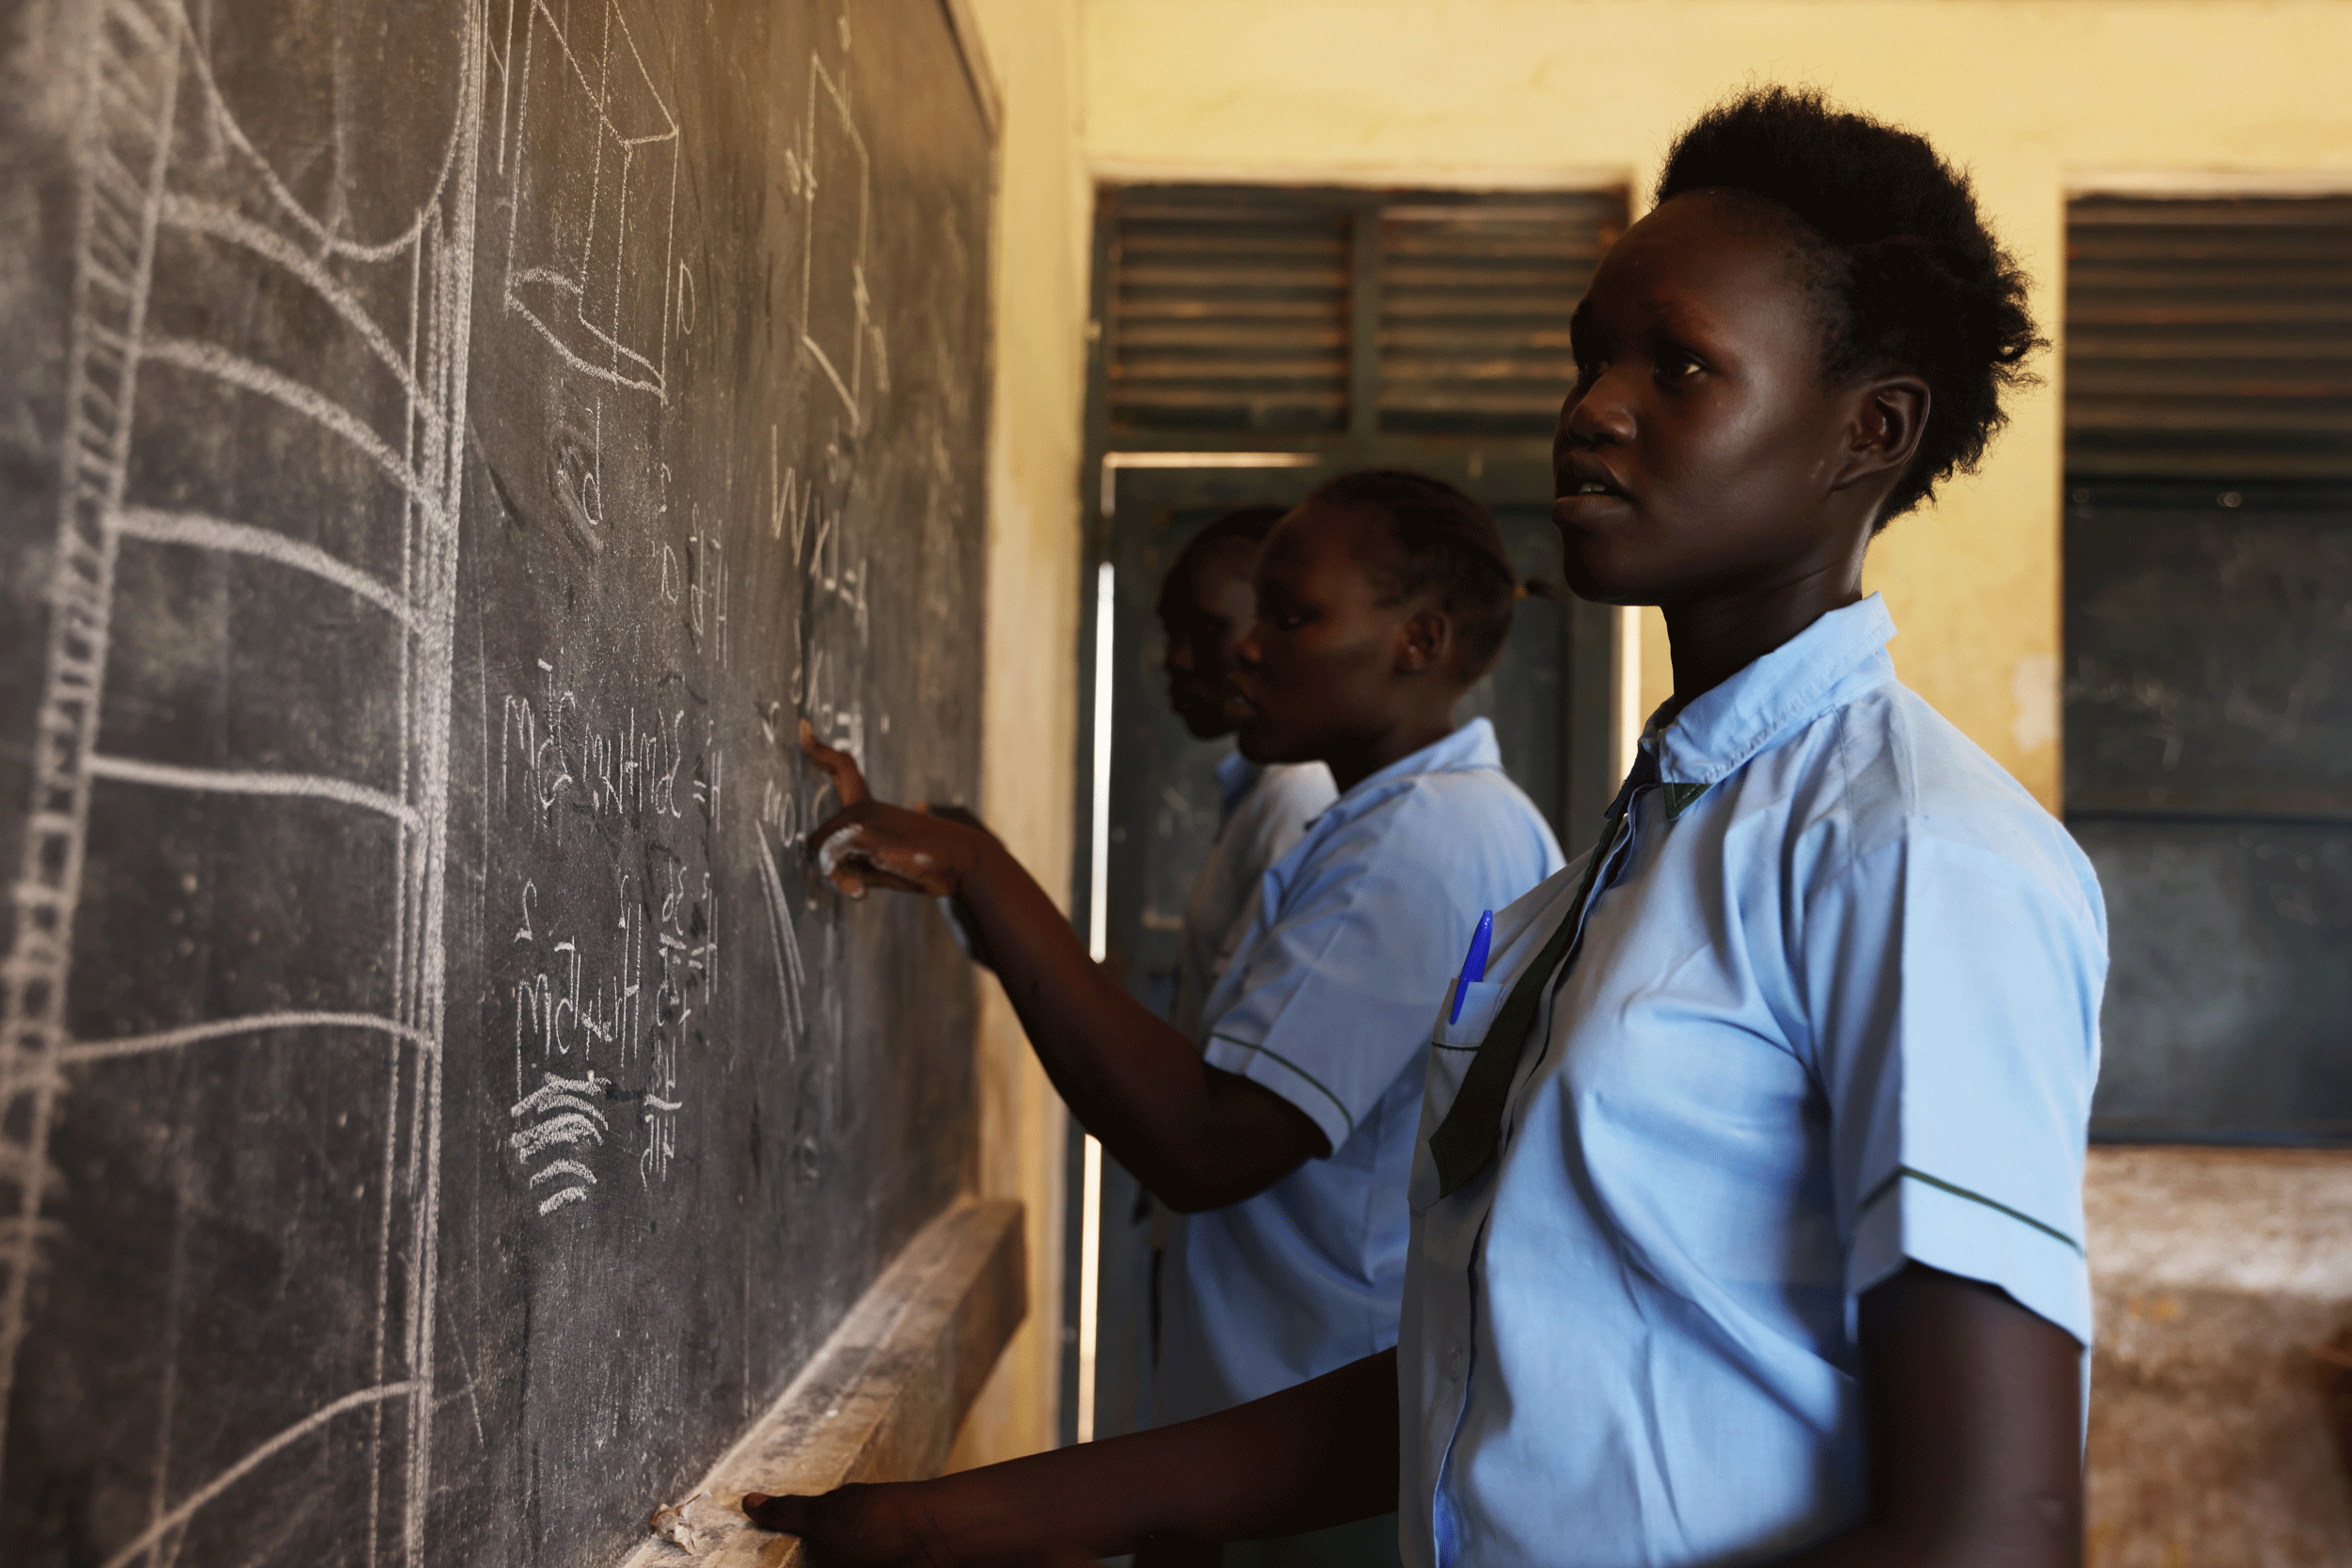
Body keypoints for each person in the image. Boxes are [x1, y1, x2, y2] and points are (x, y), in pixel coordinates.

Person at [743, 86, 2106, 1568]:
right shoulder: (1627, 858)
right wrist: (966, 1514)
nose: (1593, 407)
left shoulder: (1911, 851)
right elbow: (1486, 1375)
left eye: (1683, 367)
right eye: (1591, 356)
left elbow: (1993, 1528)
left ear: (1871, 431)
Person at [792, 470, 1564, 1565]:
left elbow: (1203, 1139)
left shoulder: (1418, 841)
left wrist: (981, 869)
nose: (1249, 646)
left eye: (1290, 617)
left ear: (1418, 640)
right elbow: (1204, 1046)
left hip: (1315, 1451)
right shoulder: (1406, 819)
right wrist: (981, 891)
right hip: (1288, 1432)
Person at [1152, 506, 1337, 1045]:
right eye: (1170, 631)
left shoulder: (1299, 795)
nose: (1177, 660)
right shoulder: (1259, 789)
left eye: (1205, 631)